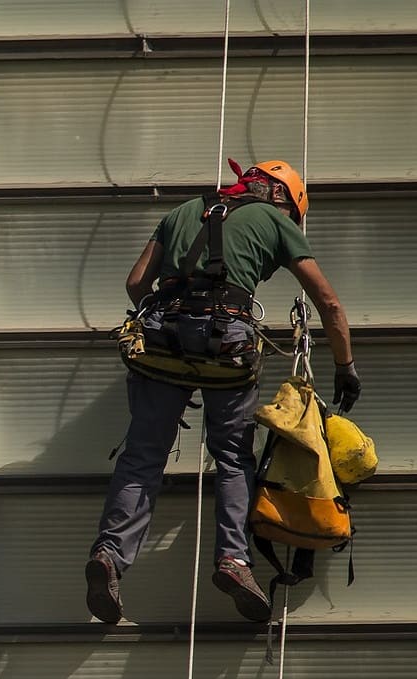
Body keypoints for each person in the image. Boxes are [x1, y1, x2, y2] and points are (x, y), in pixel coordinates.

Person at [86, 159, 359, 623]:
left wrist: (173, 326)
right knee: (233, 456)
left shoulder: (182, 211)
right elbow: (327, 301)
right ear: (281, 197)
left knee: (142, 456)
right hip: (226, 344)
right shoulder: (274, 219)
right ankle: (233, 560)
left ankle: (110, 556)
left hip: (162, 340)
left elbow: (136, 283)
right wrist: (345, 366)